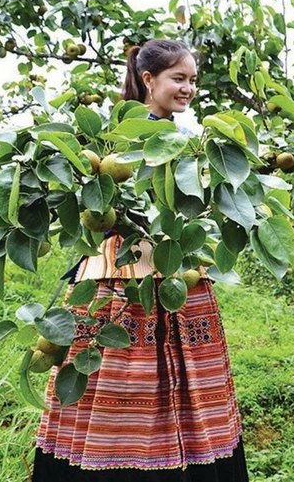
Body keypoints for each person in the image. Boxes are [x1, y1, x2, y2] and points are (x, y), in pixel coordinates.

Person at [33, 39, 249, 482]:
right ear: (148, 79)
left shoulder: (189, 144)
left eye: (192, 80)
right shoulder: (120, 138)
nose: (187, 88)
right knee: (118, 376)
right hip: (122, 271)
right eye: (178, 79)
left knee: (186, 382)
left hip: (178, 269)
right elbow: (98, 206)